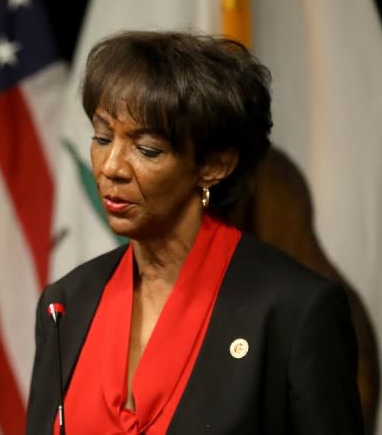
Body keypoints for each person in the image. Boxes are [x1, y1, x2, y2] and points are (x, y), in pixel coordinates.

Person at [26, 30, 364, 434]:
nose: (111, 166)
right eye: (102, 137)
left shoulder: (294, 311)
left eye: (147, 149)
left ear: (213, 166)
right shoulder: (66, 305)